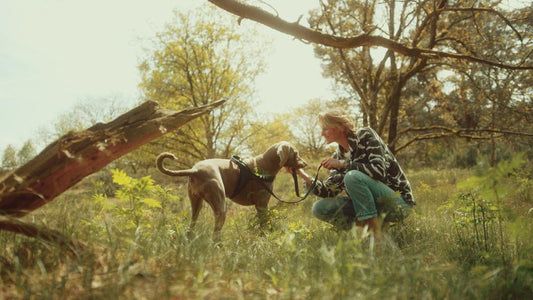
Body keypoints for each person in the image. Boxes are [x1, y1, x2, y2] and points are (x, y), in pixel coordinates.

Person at [290, 109, 415, 240]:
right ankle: (375, 227)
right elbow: (328, 191)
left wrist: (343, 164)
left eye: (325, 129)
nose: (322, 134)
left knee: (352, 176)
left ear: (341, 127)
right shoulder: (337, 155)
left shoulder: (366, 135)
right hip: (374, 208)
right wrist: (300, 173)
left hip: (398, 203)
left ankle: (374, 238)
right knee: (319, 208)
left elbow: (379, 171)